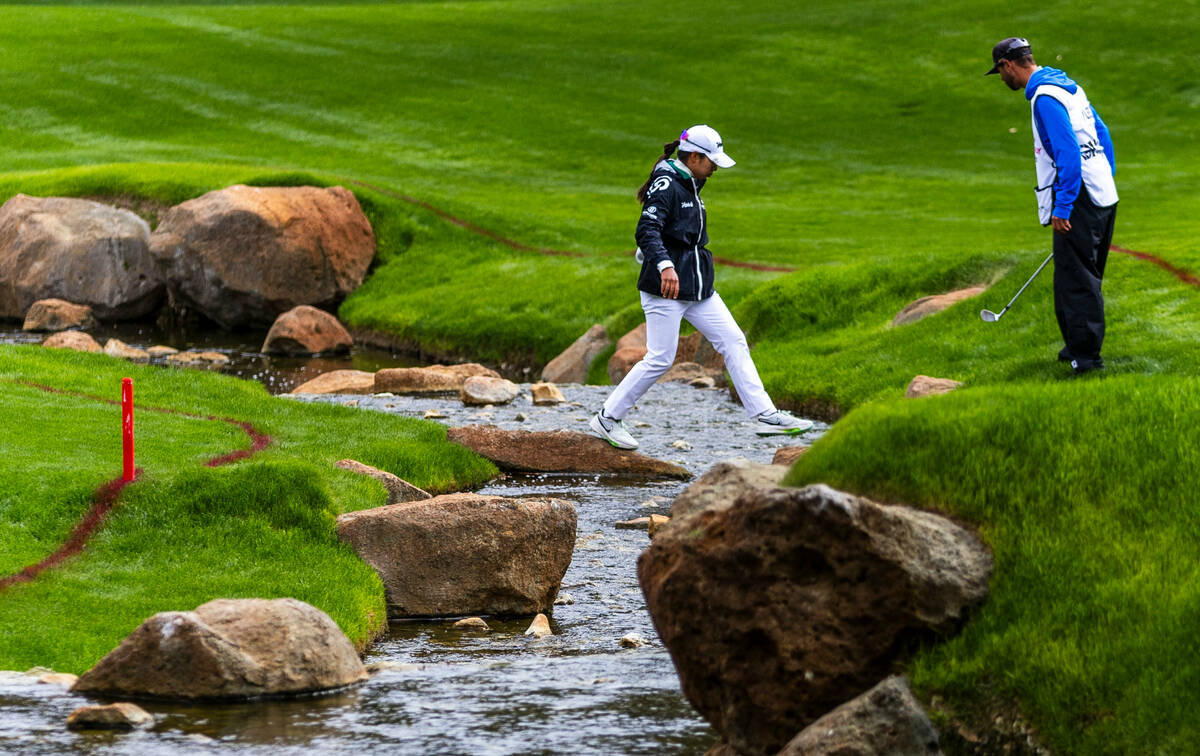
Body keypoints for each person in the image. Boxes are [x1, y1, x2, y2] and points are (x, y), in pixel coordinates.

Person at [588, 125, 813, 450]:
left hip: (697, 288)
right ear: (694, 157)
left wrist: (661, 254)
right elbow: (647, 229)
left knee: (733, 340)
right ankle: (607, 419)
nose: (716, 168)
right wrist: (664, 264)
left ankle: (765, 415)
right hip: (666, 289)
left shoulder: (691, 181)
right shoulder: (667, 184)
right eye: (712, 161)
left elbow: (668, 232)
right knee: (661, 358)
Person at [987, 37, 1118, 375]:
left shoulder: (1045, 98)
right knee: (1073, 275)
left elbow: (1068, 154)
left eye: (1000, 73)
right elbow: (1101, 134)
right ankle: (1075, 346)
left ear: (1008, 65)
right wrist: (1106, 176)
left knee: (1077, 281)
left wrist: (1063, 206)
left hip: (1080, 198)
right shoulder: (1067, 85)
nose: (1002, 80)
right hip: (1102, 190)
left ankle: (1087, 360)